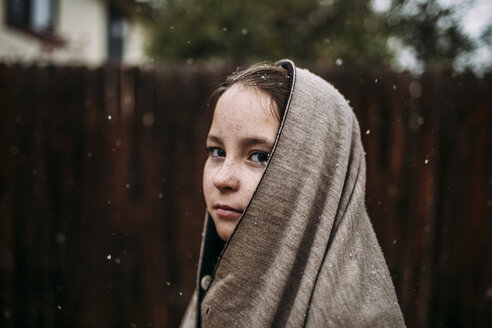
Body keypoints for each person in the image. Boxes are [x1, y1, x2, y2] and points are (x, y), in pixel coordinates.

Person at [180, 60, 405, 327]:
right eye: (217, 151)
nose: (222, 178)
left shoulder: (351, 319)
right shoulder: (219, 287)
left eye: (259, 156)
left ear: (316, 175)